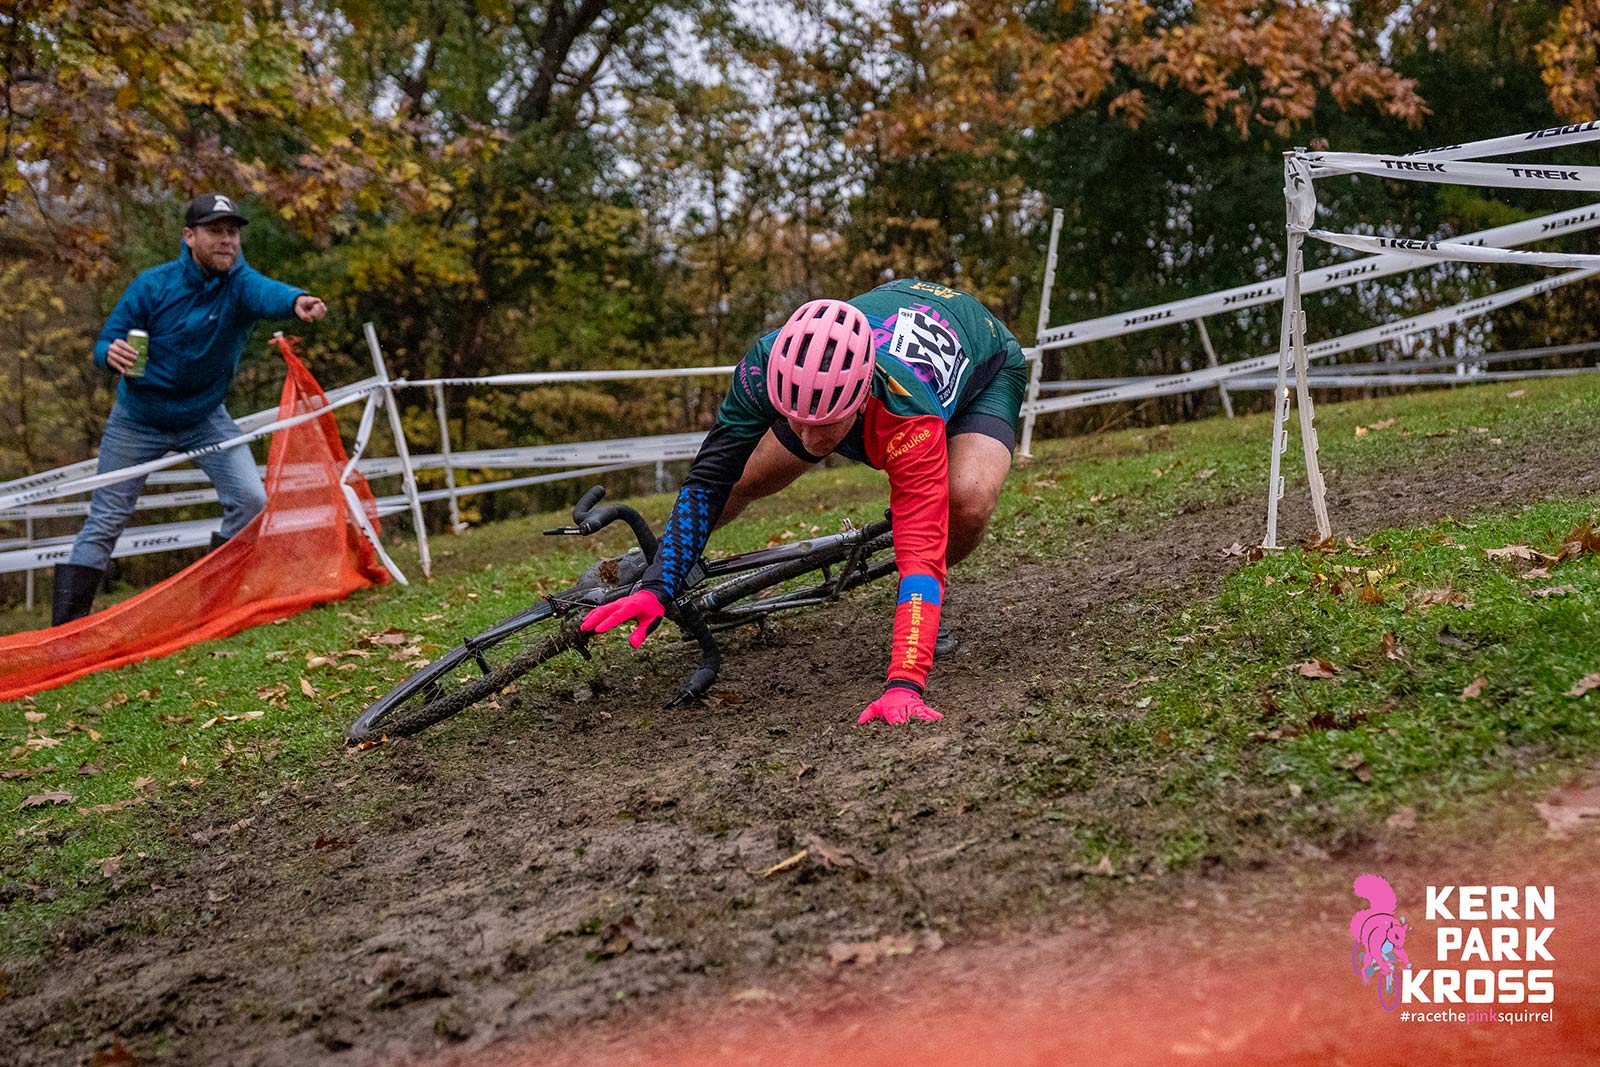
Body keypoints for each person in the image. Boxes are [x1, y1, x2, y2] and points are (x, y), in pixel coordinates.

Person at [582, 279, 1028, 725]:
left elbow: (920, 557)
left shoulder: (909, 414)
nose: (811, 441)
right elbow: (708, 480)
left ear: (859, 402)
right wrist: (663, 578)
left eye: (826, 426)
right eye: (796, 420)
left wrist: (904, 683)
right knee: (742, 478)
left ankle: (922, 617)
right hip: (870, 345)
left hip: (983, 366)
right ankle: (662, 557)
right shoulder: (765, 364)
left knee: (964, 499)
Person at [50, 193, 328, 626]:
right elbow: (106, 341)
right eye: (215, 231)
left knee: (252, 499)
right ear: (189, 236)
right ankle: (63, 633)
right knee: (105, 520)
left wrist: (297, 300)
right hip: (138, 419)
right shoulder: (153, 285)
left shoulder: (239, 285)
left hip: (204, 417)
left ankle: (213, 607)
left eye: (232, 232)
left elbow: (267, 291)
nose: (226, 241)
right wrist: (110, 353)